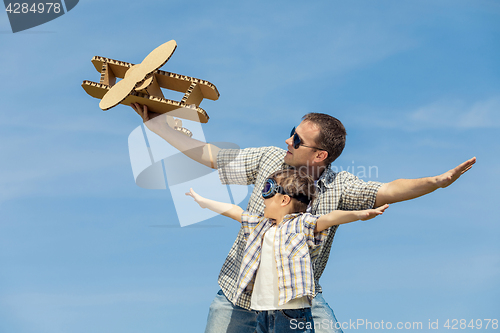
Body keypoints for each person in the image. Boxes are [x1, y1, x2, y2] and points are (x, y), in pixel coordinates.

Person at [131, 103, 476, 333]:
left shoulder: (340, 186)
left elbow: (389, 190)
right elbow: (210, 155)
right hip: (238, 296)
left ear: (320, 154)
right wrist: (155, 125)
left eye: (296, 139)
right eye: (291, 132)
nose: (287, 140)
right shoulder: (268, 159)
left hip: (298, 302)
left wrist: (438, 182)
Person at [186, 169, 389, 333]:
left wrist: (358, 214)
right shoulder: (260, 225)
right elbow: (234, 211)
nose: (262, 197)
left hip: (292, 314)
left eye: (268, 191)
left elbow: (329, 218)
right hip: (260, 312)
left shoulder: (302, 225)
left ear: (284, 200)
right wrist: (203, 202)